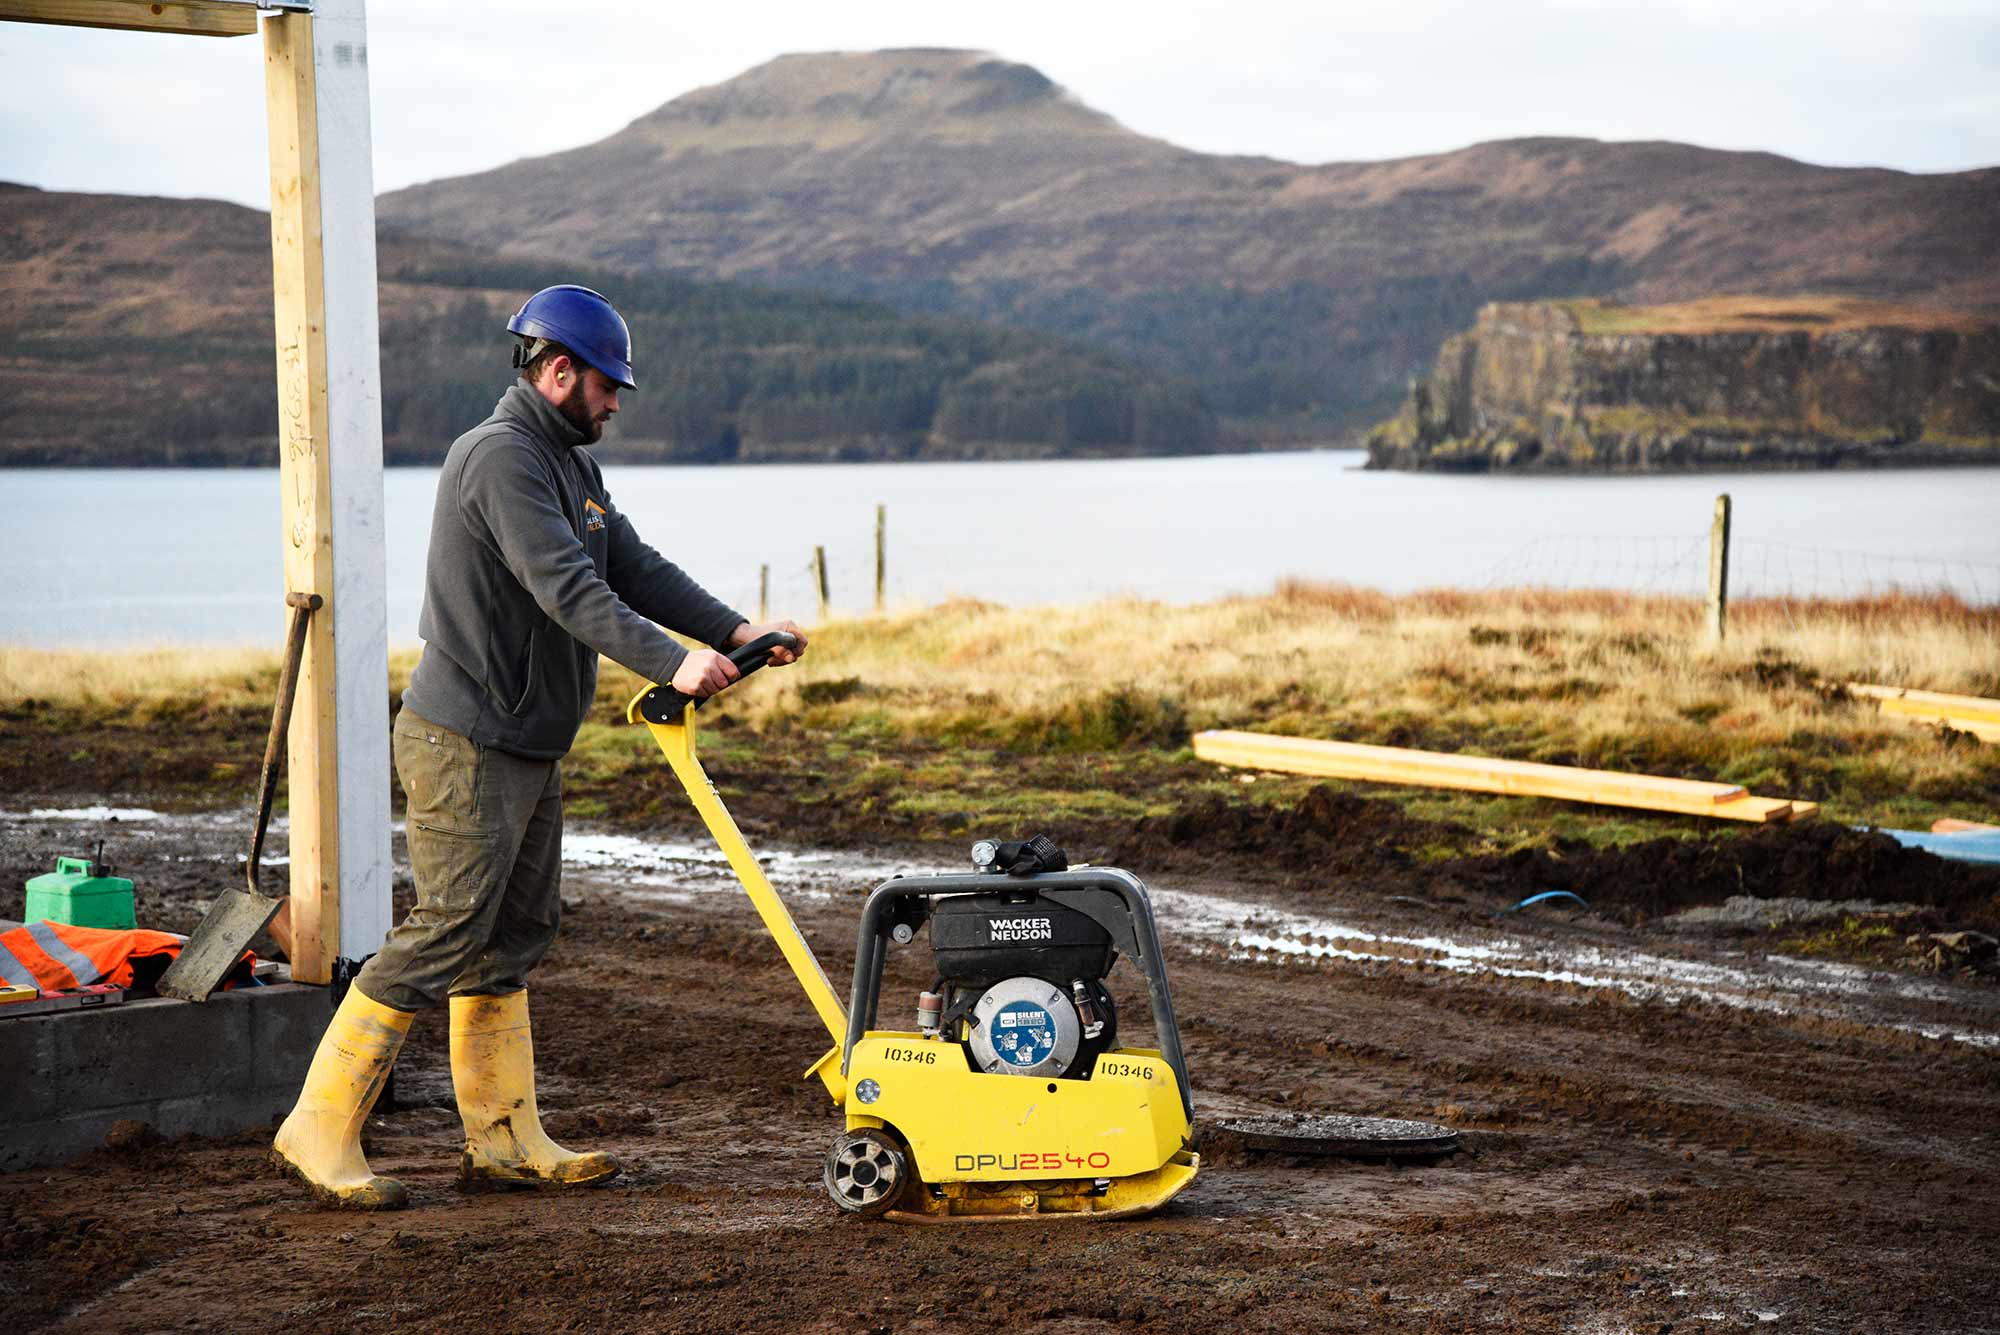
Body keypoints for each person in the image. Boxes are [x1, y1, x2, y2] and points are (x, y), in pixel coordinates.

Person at [272, 285, 805, 1209]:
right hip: (465, 738)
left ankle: (504, 1138)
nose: (615, 401)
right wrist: (671, 662)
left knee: (515, 933)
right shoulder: (498, 458)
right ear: (558, 370)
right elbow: (566, 587)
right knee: (448, 926)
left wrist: (735, 629)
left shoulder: (569, 464)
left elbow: (630, 567)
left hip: (526, 741)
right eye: (606, 384)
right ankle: (316, 1128)